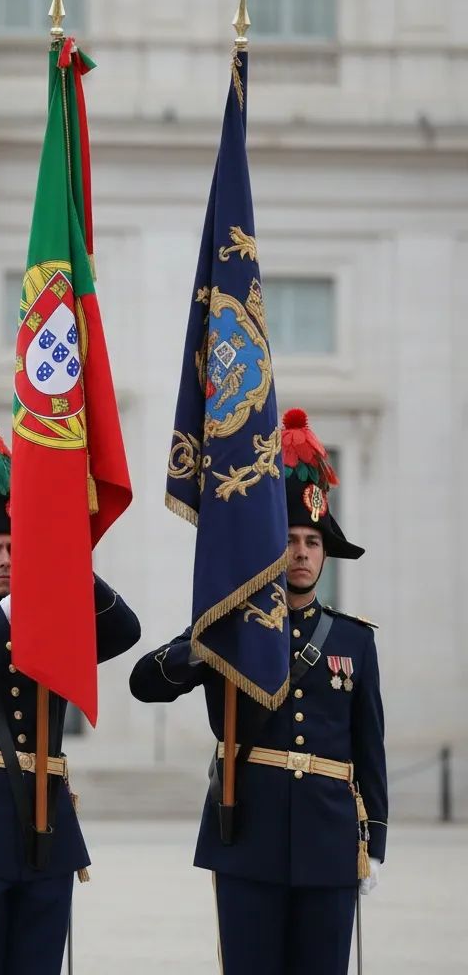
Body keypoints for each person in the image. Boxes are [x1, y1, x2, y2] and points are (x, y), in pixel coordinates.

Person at [129, 408, 386, 975]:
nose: (299, 552)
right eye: (289, 539)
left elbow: (370, 751)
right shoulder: (229, 629)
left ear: (325, 553)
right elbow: (143, 682)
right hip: (250, 831)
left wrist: (375, 846)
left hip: (329, 839)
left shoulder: (354, 640)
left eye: (312, 541)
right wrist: (205, 643)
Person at [0, 415, 141, 975]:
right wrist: (15, 610)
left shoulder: (54, 631)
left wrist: (66, 558)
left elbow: (124, 631)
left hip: (47, 828)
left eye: (17, 547)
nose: (7, 560)